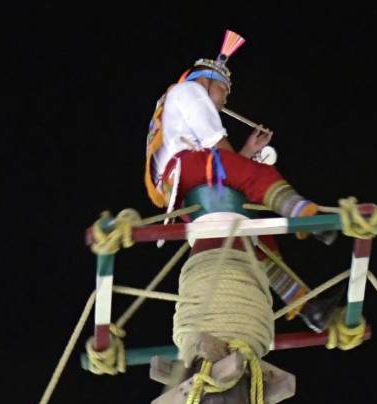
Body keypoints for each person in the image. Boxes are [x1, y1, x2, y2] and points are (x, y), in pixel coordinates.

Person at [143, 31, 342, 330]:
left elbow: (228, 168)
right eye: (223, 92)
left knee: (255, 238)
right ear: (208, 81)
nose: (223, 102)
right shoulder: (189, 92)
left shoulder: (181, 97)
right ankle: (306, 216)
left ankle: (307, 308)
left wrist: (248, 151)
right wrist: (245, 159)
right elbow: (223, 154)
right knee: (259, 175)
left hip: (185, 179)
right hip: (185, 168)